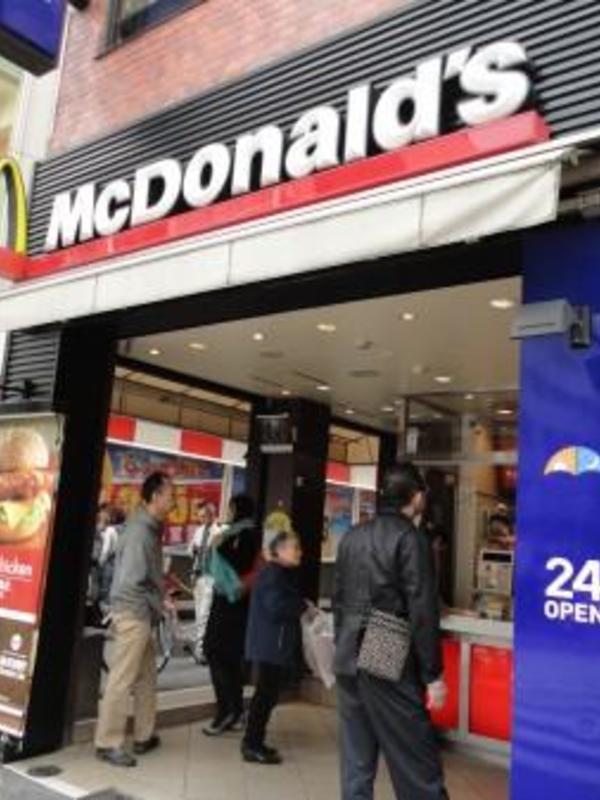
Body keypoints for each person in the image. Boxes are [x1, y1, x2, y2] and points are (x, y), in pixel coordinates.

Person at [334, 462, 449, 800]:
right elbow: (422, 609)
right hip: (385, 637)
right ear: (415, 497)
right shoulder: (411, 538)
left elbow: (338, 599)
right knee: (415, 759)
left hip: (347, 645)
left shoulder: (353, 535)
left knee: (356, 758)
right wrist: (433, 674)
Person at [95, 472, 175, 768]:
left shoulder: (148, 527)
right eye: (170, 494)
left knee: (146, 677)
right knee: (122, 679)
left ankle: (144, 735)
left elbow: (144, 575)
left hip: (141, 612)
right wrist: (156, 603)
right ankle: (107, 742)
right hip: (134, 613)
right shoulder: (141, 531)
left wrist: (160, 598)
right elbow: (131, 581)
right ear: (155, 496)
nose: (173, 500)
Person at [242, 529, 308, 765]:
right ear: (279, 551)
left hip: (273, 643)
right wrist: (301, 605)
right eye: (295, 547)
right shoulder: (273, 574)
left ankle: (254, 742)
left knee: (267, 695)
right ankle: (252, 745)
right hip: (271, 645)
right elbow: (276, 607)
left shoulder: (280, 573)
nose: (300, 552)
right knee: (264, 696)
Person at [203, 494, 262, 736]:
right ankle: (234, 711)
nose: (227, 513)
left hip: (231, 602)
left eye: (230, 508)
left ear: (236, 509)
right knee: (228, 657)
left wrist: (219, 543)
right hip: (237, 603)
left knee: (215, 651)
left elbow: (238, 563)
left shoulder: (243, 534)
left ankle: (227, 711)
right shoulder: (248, 533)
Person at [188, 501, 220, 662]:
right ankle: (201, 648)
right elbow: (190, 551)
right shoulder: (199, 531)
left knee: (204, 615)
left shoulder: (219, 531)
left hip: (211, 577)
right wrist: (193, 549)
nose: (201, 519)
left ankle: (200, 650)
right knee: (198, 614)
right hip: (198, 576)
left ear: (211, 515)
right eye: (199, 516)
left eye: (204, 516)